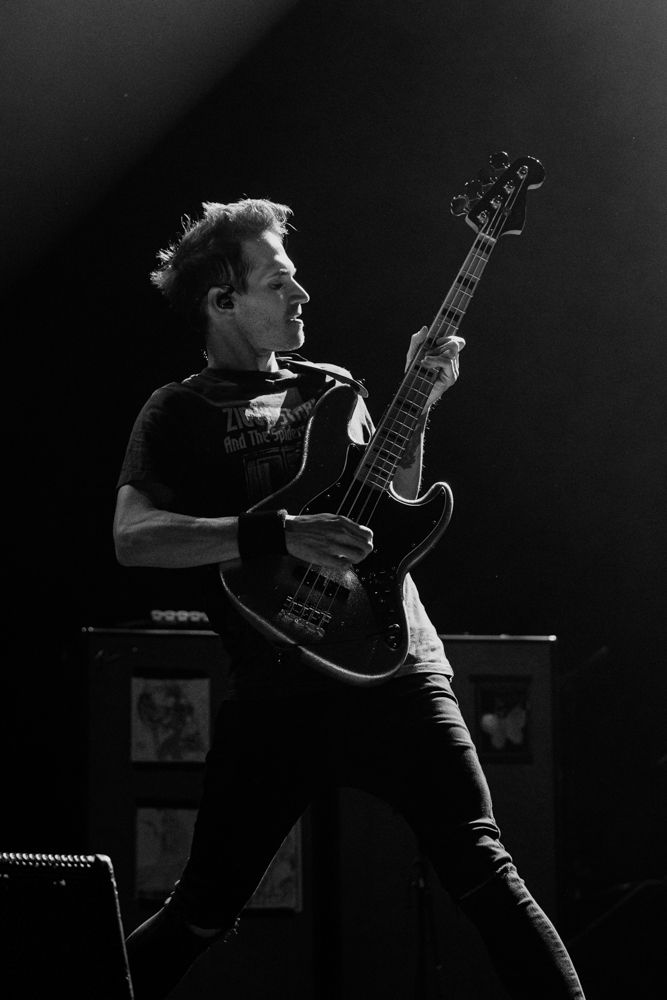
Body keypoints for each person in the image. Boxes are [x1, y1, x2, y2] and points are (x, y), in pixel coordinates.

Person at [114, 199, 585, 999]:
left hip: (396, 667)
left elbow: (389, 507)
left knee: (485, 870)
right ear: (222, 301)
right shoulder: (178, 411)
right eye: (278, 283)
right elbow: (133, 537)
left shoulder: (332, 388)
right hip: (277, 686)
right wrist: (279, 533)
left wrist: (418, 401)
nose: (302, 296)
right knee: (201, 911)